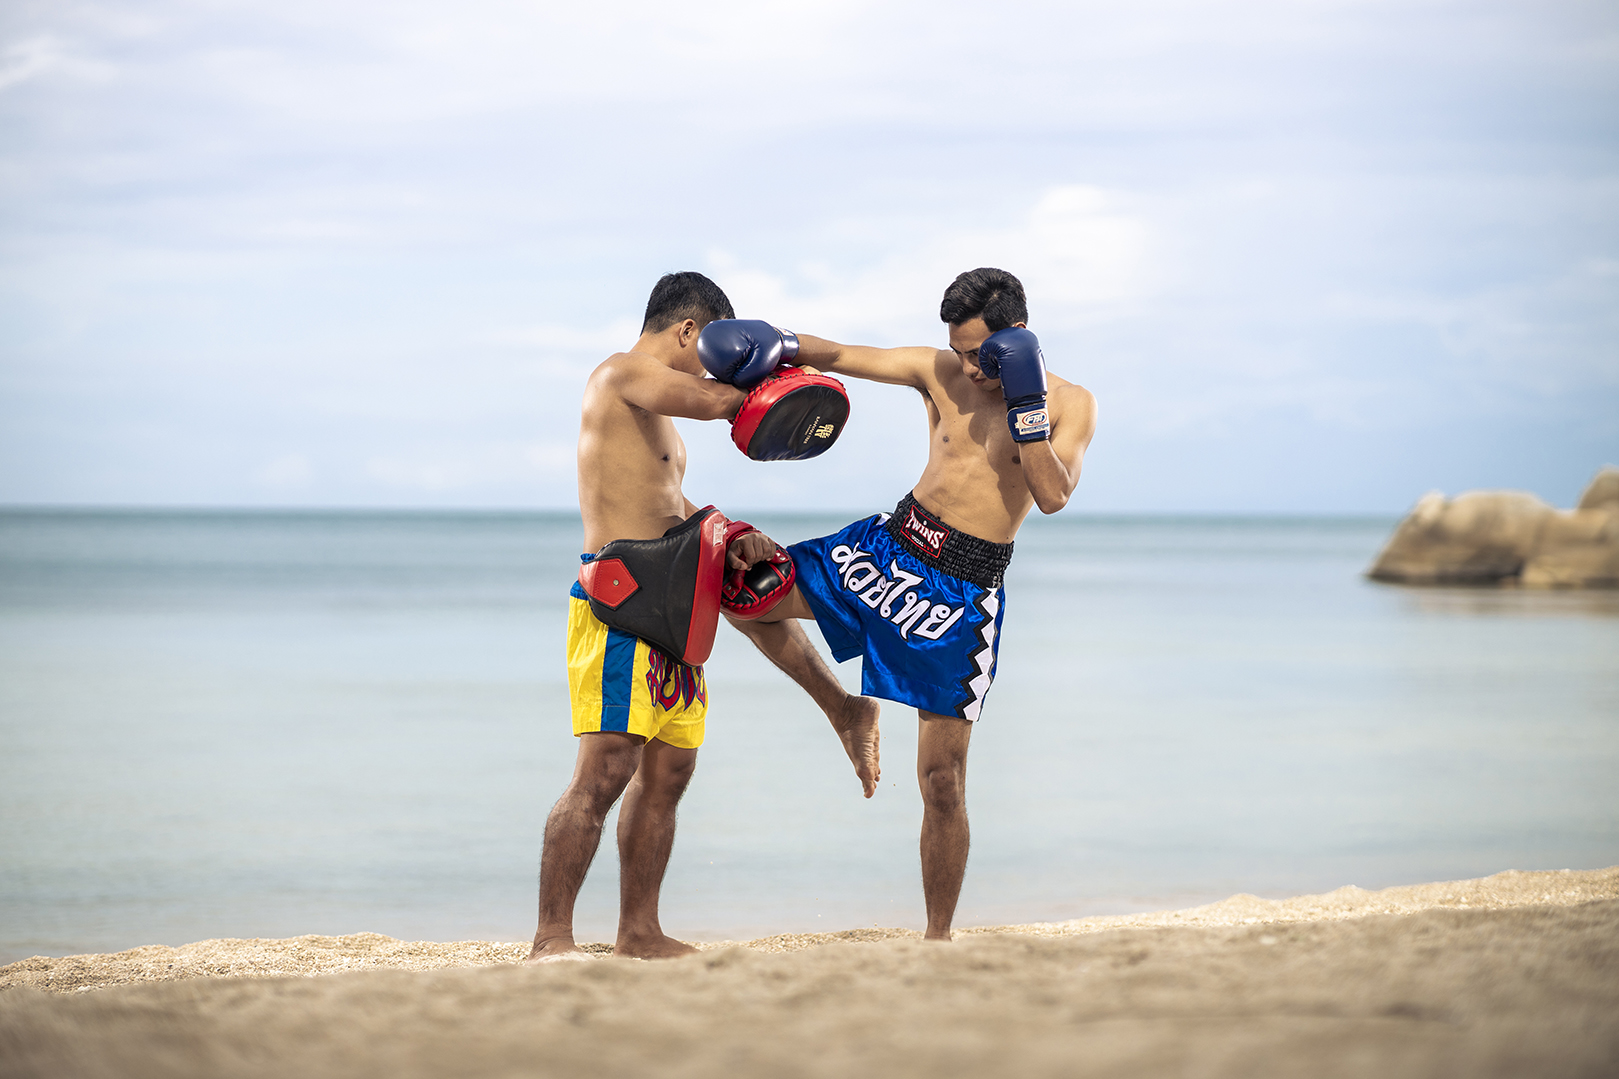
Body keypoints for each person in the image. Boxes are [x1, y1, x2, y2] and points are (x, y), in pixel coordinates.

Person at [712, 267, 1097, 942]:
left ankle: (936, 940)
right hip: (888, 550)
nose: (970, 367)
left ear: (1019, 339)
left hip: (958, 598)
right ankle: (844, 708)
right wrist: (777, 339)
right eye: (960, 350)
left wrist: (1027, 407)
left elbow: (1052, 494)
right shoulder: (941, 371)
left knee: (940, 779)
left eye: (982, 353)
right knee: (743, 593)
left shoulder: (1070, 402)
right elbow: (839, 357)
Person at [528, 272, 880, 962]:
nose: (710, 363)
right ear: (690, 330)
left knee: (669, 773)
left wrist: (731, 527)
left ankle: (638, 932)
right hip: (621, 602)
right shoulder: (621, 373)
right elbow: (717, 401)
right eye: (710, 347)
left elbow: (665, 496)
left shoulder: (649, 417)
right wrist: (778, 363)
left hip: (670, 596)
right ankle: (551, 938)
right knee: (604, 770)